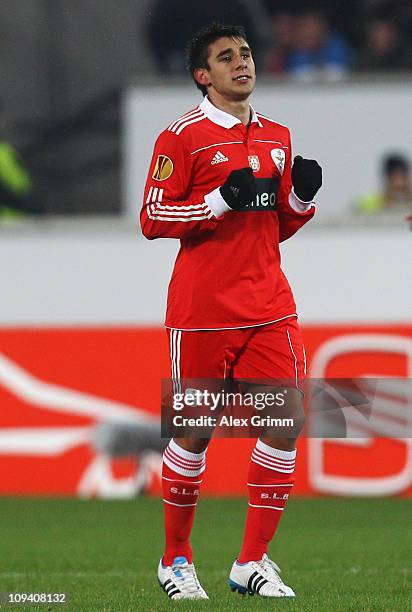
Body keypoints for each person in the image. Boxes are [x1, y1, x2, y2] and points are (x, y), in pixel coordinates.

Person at [140, 23, 322, 600]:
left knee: (283, 425)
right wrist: (216, 201)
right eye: (226, 58)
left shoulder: (277, 134)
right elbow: (151, 217)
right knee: (194, 435)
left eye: (245, 54)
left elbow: (276, 228)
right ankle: (175, 560)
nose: (241, 63)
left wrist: (299, 199)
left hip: (269, 306)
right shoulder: (181, 137)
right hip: (202, 310)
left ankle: (251, 562)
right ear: (203, 75)